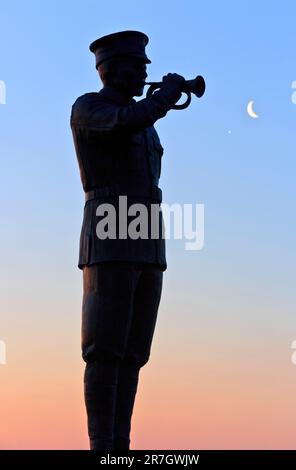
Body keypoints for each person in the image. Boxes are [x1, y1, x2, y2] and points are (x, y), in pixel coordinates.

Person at [70, 30, 185, 451]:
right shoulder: (90, 108)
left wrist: (159, 102)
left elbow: (140, 121)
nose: (144, 71)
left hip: (147, 235)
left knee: (135, 351)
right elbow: (128, 121)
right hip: (109, 229)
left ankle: (122, 444)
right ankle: (104, 446)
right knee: (105, 348)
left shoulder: (146, 119)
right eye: (137, 66)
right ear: (111, 70)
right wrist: (164, 98)